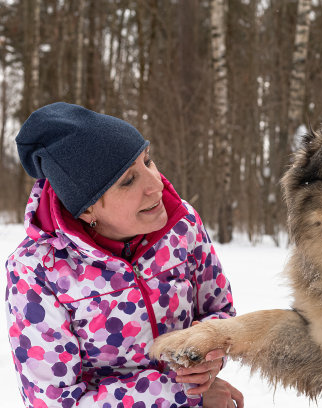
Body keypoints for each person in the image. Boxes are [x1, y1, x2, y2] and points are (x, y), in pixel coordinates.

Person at [5, 102, 244, 408]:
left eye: (149, 161)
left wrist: (208, 352)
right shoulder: (37, 271)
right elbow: (51, 402)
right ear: (87, 208)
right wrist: (179, 397)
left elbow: (218, 309)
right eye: (128, 180)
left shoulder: (182, 225)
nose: (155, 184)